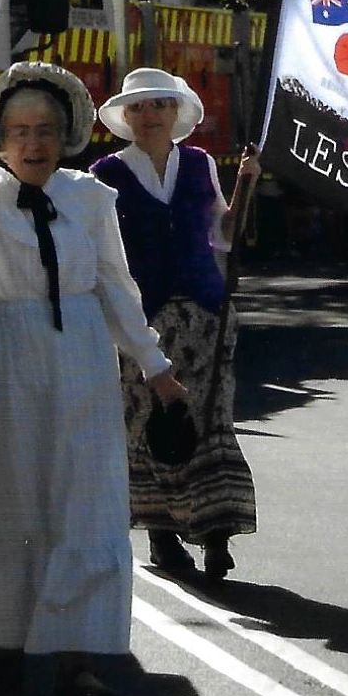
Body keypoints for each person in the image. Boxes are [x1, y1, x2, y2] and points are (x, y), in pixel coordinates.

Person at [0, 44, 185, 696]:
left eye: (46, 131)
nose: (33, 144)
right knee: (12, 508)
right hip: (0, 357)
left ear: (67, 137)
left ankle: (73, 660)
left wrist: (156, 367)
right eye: (19, 132)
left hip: (80, 358)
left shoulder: (89, 197)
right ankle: (6, 639)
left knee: (85, 505)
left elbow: (115, 286)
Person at [90, 68, 260, 581]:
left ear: (175, 112)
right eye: (139, 108)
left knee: (210, 419)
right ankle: (163, 533)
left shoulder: (200, 164)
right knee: (149, 422)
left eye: (158, 106)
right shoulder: (105, 173)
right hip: (144, 320)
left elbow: (225, 234)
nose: (149, 115)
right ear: (126, 117)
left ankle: (215, 532)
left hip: (206, 312)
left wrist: (246, 183)